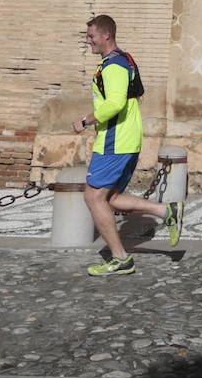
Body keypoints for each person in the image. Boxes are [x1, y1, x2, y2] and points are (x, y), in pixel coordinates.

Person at [72, 14, 182, 276]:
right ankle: (165, 211)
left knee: (93, 196)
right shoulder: (121, 60)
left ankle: (120, 258)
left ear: (106, 35)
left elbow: (115, 103)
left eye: (91, 37)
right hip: (124, 138)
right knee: (110, 198)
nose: (89, 42)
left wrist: (85, 121)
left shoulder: (115, 66)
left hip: (115, 140)